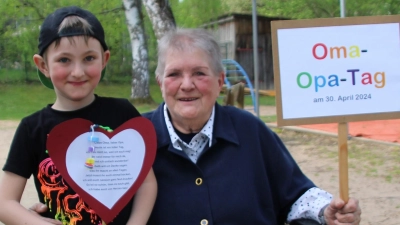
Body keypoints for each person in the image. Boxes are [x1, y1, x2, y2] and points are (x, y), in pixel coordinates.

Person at [30, 27, 362, 225]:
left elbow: (299, 195)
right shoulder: (131, 140)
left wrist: (326, 211)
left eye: (199, 73)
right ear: (160, 81)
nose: (186, 85)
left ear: (220, 80)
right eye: (174, 74)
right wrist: (56, 211)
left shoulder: (251, 131)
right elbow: (96, 203)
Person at [0, 6, 157, 225]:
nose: (78, 71)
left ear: (104, 59)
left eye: (89, 58)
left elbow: (146, 183)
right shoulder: (31, 128)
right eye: (64, 60)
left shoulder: (122, 113)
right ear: (43, 65)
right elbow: (5, 203)